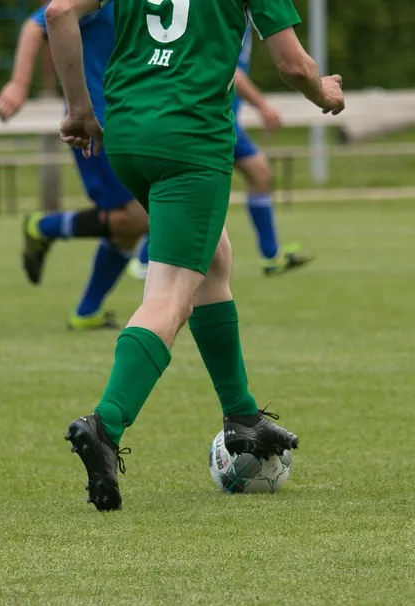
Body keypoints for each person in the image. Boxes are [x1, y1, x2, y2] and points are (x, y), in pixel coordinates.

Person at [45, 0, 344, 510]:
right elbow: (293, 64)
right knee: (169, 295)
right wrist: (325, 92)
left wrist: (78, 110)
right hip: (189, 140)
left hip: (128, 134)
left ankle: (242, 414)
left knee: (215, 257)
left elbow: (57, 13)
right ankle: (105, 423)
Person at [0, 2, 148, 330]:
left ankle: (86, 313)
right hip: (98, 124)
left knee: (131, 224)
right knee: (140, 217)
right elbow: (41, 22)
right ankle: (45, 227)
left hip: (136, 121)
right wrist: (20, 83)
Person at [126, 27, 312, 280]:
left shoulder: (245, 15)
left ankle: (270, 255)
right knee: (193, 190)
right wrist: (263, 105)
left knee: (257, 174)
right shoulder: (225, 9)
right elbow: (228, 67)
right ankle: (146, 260)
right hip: (209, 115)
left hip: (217, 114)